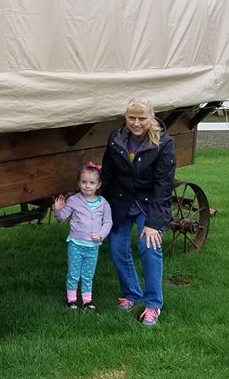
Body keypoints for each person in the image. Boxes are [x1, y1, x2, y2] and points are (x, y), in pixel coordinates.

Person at [100, 97, 176, 327]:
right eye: (131, 117)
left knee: (149, 248)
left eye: (142, 118)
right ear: (125, 118)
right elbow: (108, 174)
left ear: (151, 117)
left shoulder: (163, 143)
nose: (136, 123)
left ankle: (153, 304)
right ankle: (132, 293)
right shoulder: (116, 138)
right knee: (117, 247)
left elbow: (164, 186)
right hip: (121, 201)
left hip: (148, 202)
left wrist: (154, 223)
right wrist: (95, 204)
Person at [53, 162, 113, 311]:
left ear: (98, 185)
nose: (87, 186)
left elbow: (108, 222)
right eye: (84, 182)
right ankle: (72, 300)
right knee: (73, 274)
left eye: (92, 183)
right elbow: (62, 218)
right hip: (75, 244)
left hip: (93, 247)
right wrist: (57, 210)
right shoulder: (74, 200)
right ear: (78, 183)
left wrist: (101, 235)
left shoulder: (103, 204)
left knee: (88, 275)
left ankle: (87, 301)